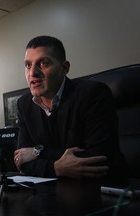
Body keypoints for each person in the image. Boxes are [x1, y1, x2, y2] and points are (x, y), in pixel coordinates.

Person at [14, 36, 127, 179]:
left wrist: (38, 152)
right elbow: (22, 160)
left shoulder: (92, 94)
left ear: (64, 68)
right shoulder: (24, 104)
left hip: (105, 189)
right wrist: (55, 168)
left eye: (43, 63)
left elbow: (97, 158)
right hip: (51, 192)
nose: (32, 73)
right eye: (28, 65)